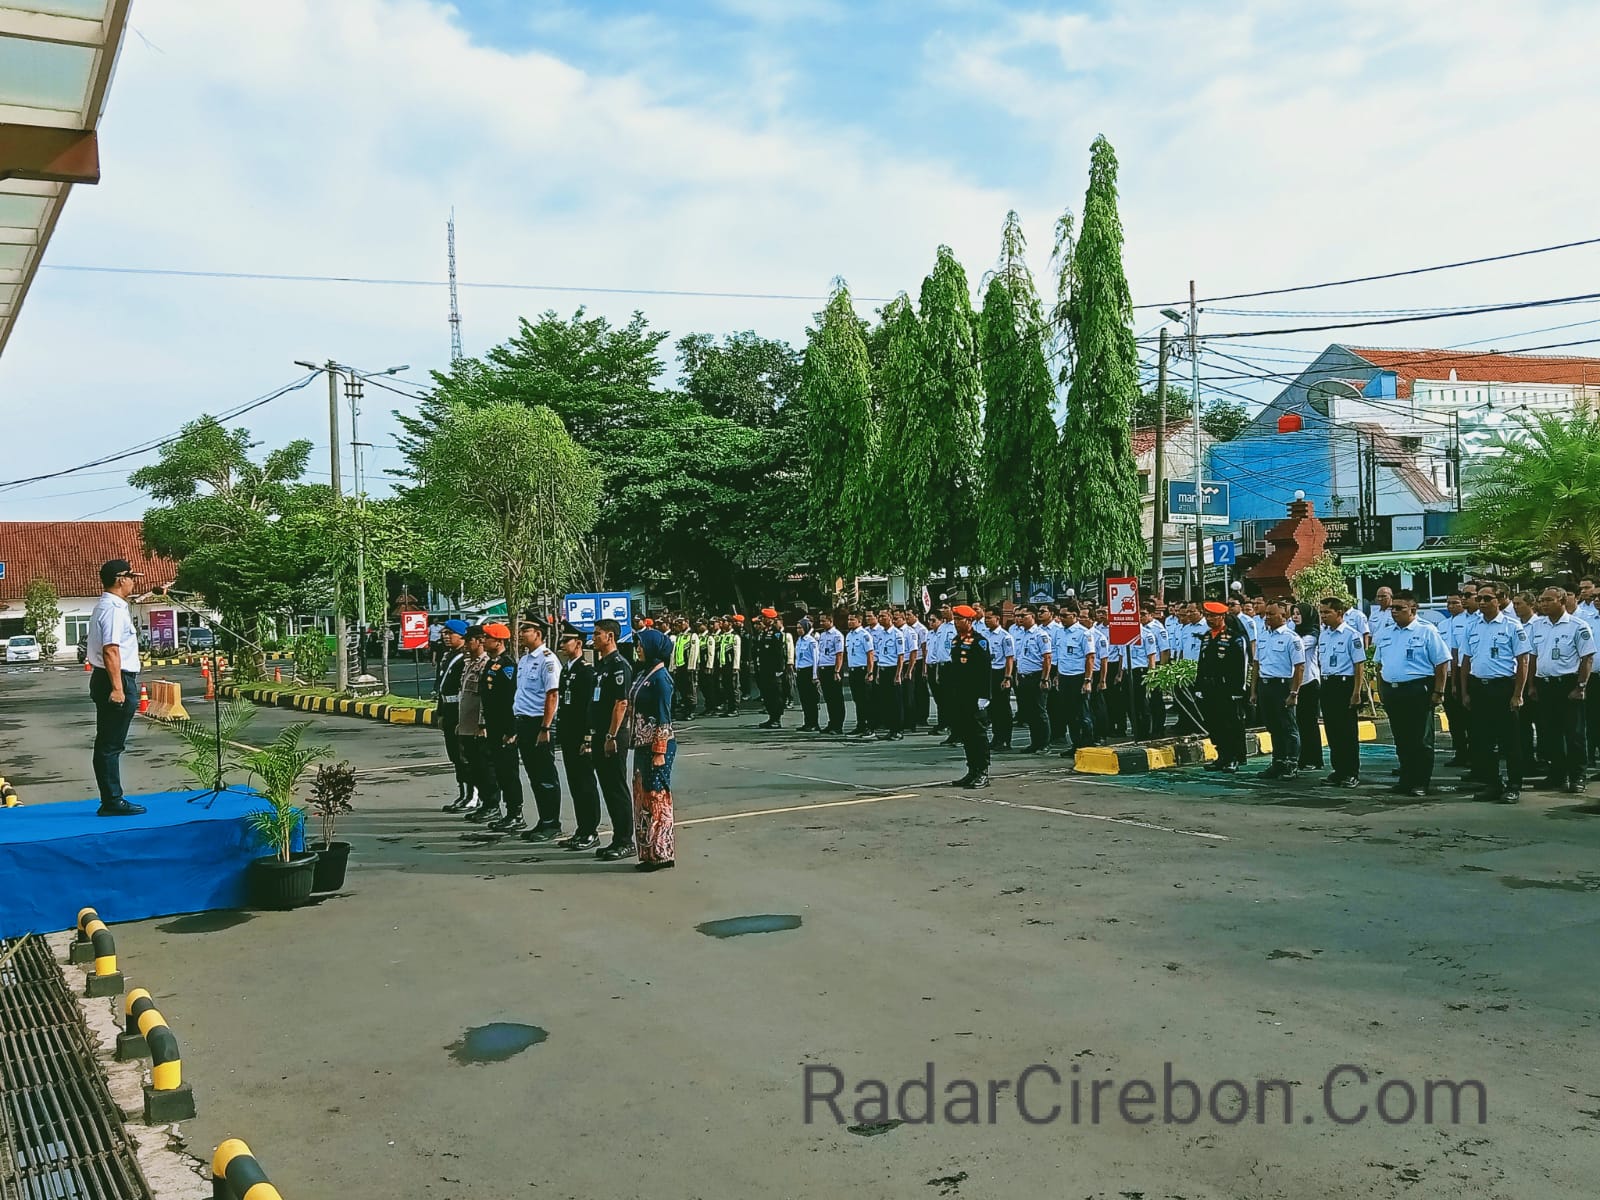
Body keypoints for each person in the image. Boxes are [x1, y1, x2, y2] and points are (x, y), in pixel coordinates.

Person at [1373, 593, 1449, 797]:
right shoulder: (1387, 633)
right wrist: (1382, 691)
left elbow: (1441, 663)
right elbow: (1380, 664)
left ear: (1413, 610)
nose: (1395, 612)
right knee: (1401, 738)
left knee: (1420, 739)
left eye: (1400, 608)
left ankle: (1420, 782)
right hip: (1393, 691)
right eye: (1393, 608)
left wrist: (1439, 691)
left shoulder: (1427, 631)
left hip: (1417, 690)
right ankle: (1405, 779)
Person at [87, 558, 147, 817]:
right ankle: (112, 800)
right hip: (116, 679)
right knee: (110, 745)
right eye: (131, 577)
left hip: (111, 678)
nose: (133, 582)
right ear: (120, 579)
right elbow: (111, 650)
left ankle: (111, 798)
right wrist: (118, 688)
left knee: (109, 743)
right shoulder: (112, 609)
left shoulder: (113, 606)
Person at [1460, 588, 1530, 804]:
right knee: (1483, 740)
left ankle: (1514, 785)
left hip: (1503, 688)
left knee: (1509, 741)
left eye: (1487, 598)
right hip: (1479, 688)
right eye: (1478, 598)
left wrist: (1518, 693)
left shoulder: (1512, 626)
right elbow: (1466, 661)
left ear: (1498, 601)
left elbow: (1523, 661)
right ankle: (1493, 783)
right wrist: (1465, 692)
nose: (1481, 602)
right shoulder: (1472, 626)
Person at [1532, 586, 1593, 795]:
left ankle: (1578, 776)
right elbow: (1532, 657)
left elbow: (1587, 658)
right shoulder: (1538, 625)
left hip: (1567, 685)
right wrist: (1531, 685)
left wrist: (1581, 686)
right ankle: (1557, 774)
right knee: (1550, 733)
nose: (1544, 604)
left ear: (1562, 600)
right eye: (1541, 600)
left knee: (1574, 734)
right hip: (1545, 685)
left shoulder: (1578, 625)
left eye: (1549, 600)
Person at [628, 627, 678, 871]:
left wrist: (659, 751)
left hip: (657, 745)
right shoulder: (645, 673)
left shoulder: (661, 679)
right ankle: (647, 851)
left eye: (641, 645)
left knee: (657, 798)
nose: (638, 649)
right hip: (642, 743)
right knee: (643, 797)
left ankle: (661, 853)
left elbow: (663, 717)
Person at [587, 618, 635, 859]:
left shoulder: (619, 665)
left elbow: (621, 703)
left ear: (610, 637)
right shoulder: (602, 665)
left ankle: (626, 840)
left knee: (616, 788)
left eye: (597, 634)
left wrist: (611, 735)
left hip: (613, 736)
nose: (593, 638)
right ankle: (617, 837)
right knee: (607, 788)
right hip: (599, 735)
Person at [513, 617, 564, 841]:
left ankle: (552, 823)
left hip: (538, 723)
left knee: (545, 776)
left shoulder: (548, 660)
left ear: (539, 634)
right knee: (534, 775)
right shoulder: (524, 660)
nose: (522, 633)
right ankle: (543, 820)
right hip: (523, 722)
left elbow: (552, 694)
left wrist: (545, 726)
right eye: (521, 629)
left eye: (527, 629)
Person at [552, 627, 602, 851]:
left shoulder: (586, 671)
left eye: (567, 641)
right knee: (575, 785)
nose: (562, 645)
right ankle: (582, 829)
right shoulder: (567, 670)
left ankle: (591, 830)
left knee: (585, 785)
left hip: (581, 737)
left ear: (579, 643)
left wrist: (587, 737)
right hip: (569, 736)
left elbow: (588, 708)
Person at [1251, 599, 1305, 779]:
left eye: (1271, 614)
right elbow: (1257, 664)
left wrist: (1294, 693)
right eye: (1266, 613)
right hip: (1265, 686)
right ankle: (1278, 762)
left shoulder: (1292, 638)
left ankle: (1291, 764)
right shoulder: (1263, 636)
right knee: (1273, 726)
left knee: (1288, 727)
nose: (1267, 617)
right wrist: (1254, 691)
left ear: (1284, 616)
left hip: (1282, 686)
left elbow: (1299, 667)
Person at [478, 623, 525, 831]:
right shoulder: (491, 664)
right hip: (493, 726)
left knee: (509, 771)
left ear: (499, 641)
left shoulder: (507, 666)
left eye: (487, 638)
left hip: (505, 728)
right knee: (499, 770)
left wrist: (511, 730)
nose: (483, 641)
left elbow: (509, 700)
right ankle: (508, 811)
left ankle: (516, 813)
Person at [1316, 598, 1366, 787]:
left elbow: (1359, 664)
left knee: (1347, 731)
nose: (1323, 616)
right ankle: (1338, 770)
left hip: (1345, 684)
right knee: (1333, 730)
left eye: (1327, 612)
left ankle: (1351, 772)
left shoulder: (1351, 635)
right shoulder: (1324, 635)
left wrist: (1356, 691)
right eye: (1321, 612)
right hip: (1328, 684)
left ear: (1339, 612)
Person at [1195, 601, 1249, 772]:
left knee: (1231, 723)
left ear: (1222, 617)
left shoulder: (1234, 637)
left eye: (1213, 616)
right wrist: (1198, 685)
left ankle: (1234, 757)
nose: (1209, 619)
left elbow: (1241, 665)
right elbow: (1201, 663)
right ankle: (1222, 755)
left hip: (1228, 688)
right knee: (1214, 723)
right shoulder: (1206, 636)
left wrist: (1238, 690)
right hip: (1209, 687)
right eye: (1207, 616)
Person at [943, 606, 993, 788]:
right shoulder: (956, 641)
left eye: (959, 620)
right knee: (966, 733)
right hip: (960, 695)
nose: (956, 623)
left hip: (974, 696)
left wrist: (984, 696)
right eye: (955, 619)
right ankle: (972, 770)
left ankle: (982, 771)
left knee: (978, 734)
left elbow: (985, 670)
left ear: (969, 621)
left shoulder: (979, 642)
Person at [457, 626, 503, 824]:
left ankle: (492, 805)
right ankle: (485, 803)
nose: (467, 644)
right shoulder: (469, 664)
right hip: (467, 726)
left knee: (486, 769)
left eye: (470, 641)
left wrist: (483, 724)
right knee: (474, 769)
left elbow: (486, 698)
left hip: (478, 727)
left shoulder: (486, 664)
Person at [435, 619, 476, 812]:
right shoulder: (447, 657)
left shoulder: (465, 659)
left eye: (450, 633)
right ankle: (463, 792)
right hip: (449, 709)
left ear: (462, 636)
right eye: (444, 633)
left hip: (461, 710)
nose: (445, 637)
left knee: (464, 756)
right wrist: (441, 712)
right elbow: (442, 688)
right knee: (454, 755)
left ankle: (472, 795)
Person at [1052, 604, 1097, 755]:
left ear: (1074, 616)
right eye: (1060, 615)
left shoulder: (1083, 634)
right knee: (1069, 713)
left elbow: (1090, 657)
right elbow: (1060, 657)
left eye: (1065, 616)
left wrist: (1087, 680)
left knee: (1083, 713)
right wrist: (1058, 676)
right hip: (1065, 676)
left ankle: (1088, 744)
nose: (1061, 618)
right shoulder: (1059, 633)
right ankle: (1076, 744)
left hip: (1079, 677)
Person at [1013, 606, 1052, 753]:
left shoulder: (1040, 635)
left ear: (1033, 616)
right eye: (1019, 615)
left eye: (1024, 615)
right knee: (1028, 712)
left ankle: (1044, 743)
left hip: (1036, 676)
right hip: (1023, 676)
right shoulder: (1022, 634)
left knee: (1039, 711)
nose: (1021, 618)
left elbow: (1047, 658)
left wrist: (1044, 679)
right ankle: (1034, 742)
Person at [1293, 604, 1324, 773]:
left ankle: (1314, 758)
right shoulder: (1295, 632)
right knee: (1299, 723)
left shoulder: (1312, 635)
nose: (1295, 617)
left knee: (1309, 723)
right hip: (1296, 681)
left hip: (1309, 682)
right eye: (1294, 614)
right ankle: (1302, 757)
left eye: (1299, 614)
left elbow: (1296, 648)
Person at [981, 610, 1016, 752]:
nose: (986, 620)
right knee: (992, 708)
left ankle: (1005, 739)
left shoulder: (1005, 637)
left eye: (989, 618)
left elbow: (1009, 658)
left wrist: (1007, 677)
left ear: (997, 618)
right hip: (988, 673)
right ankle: (996, 737)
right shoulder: (984, 635)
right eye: (985, 618)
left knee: (1003, 709)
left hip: (1000, 672)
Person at [872, 609, 905, 740]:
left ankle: (898, 730)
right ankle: (891, 728)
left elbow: (900, 656)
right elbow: (880, 655)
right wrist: (879, 673)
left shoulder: (897, 634)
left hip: (893, 669)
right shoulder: (881, 634)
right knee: (886, 701)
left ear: (890, 617)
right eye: (879, 616)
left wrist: (898, 674)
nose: (880, 619)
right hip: (883, 668)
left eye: (883, 616)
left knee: (896, 701)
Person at [755, 609, 789, 729]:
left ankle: (776, 718)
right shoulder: (763, 632)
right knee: (767, 694)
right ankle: (771, 717)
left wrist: (779, 669)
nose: (762, 620)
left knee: (775, 694)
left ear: (770, 619)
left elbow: (779, 653)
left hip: (773, 669)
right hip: (764, 669)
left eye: (764, 618)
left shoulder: (776, 634)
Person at [844, 612, 876, 735]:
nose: (849, 622)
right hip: (853, 670)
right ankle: (861, 724)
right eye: (848, 619)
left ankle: (870, 726)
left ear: (859, 621)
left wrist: (870, 672)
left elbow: (870, 654)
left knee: (866, 700)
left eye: (852, 619)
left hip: (862, 669)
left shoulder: (864, 635)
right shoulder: (849, 636)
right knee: (857, 700)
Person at [816, 612, 847, 735]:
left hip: (832, 669)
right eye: (820, 621)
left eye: (824, 621)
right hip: (823, 668)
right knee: (828, 698)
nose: (821, 623)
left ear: (830, 621)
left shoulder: (837, 635)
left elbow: (840, 654)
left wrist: (837, 670)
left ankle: (838, 725)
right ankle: (831, 722)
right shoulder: (822, 635)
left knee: (836, 698)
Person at [794, 617, 822, 732]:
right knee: (804, 699)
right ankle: (807, 722)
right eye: (797, 628)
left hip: (809, 670)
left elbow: (816, 658)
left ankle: (814, 723)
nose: (799, 630)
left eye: (801, 628)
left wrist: (815, 675)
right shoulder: (799, 640)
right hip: (800, 671)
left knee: (811, 699)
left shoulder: (811, 641)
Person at [670, 617, 697, 722]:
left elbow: (693, 653)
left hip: (688, 667)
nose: (679, 625)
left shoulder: (692, 635)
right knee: (683, 690)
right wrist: (674, 666)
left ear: (687, 622)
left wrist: (691, 666)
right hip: (680, 666)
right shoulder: (679, 636)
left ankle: (691, 711)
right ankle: (686, 709)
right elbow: (675, 653)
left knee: (690, 689)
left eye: (681, 623)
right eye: (677, 623)